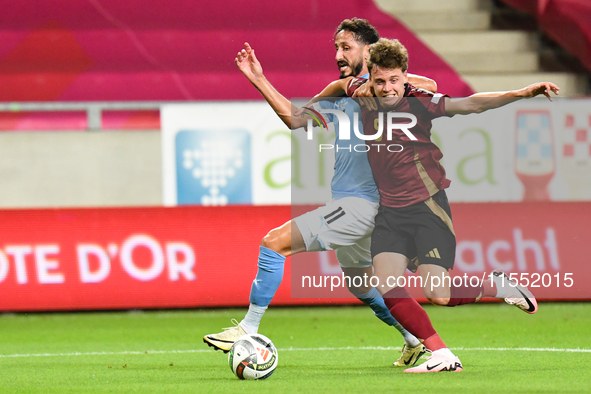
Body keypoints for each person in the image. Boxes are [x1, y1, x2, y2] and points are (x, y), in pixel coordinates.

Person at [204, 18, 438, 367]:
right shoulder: (340, 88)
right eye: (336, 48)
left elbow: (429, 84)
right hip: (357, 203)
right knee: (361, 283)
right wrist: (259, 79)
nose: (339, 54)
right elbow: (297, 119)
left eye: (346, 47)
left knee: (274, 242)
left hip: (365, 204)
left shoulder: (389, 86)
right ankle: (415, 341)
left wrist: (367, 82)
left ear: (369, 50)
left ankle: (248, 327)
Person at [344, 37, 559, 372]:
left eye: (395, 80)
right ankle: (442, 355)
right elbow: (342, 85)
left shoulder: (420, 101)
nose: (387, 88)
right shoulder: (362, 92)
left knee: (438, 294)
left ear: (406, 77)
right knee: (386, 284)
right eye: (380, 81)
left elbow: (472, 104)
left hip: (426, 206)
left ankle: (495, 285)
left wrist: (520, 93)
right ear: (371, 78)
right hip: (390, 210)